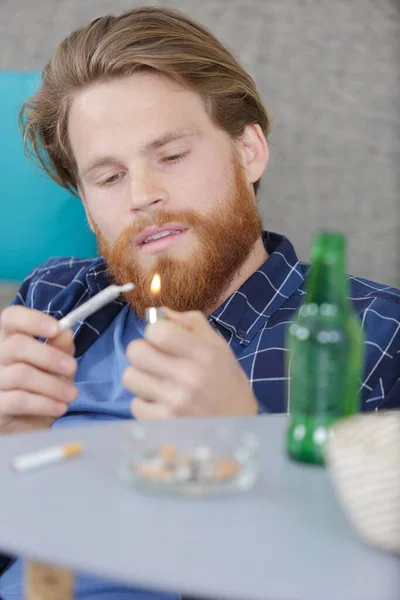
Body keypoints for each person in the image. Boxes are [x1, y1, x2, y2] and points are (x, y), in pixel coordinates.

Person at [0, 6, 399, 599]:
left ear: (249, 152)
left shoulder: (367, 333)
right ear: (85, 206)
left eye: (172, 156)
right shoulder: (50, 300)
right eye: (107, 178)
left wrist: (245, 447)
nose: (143, 197)